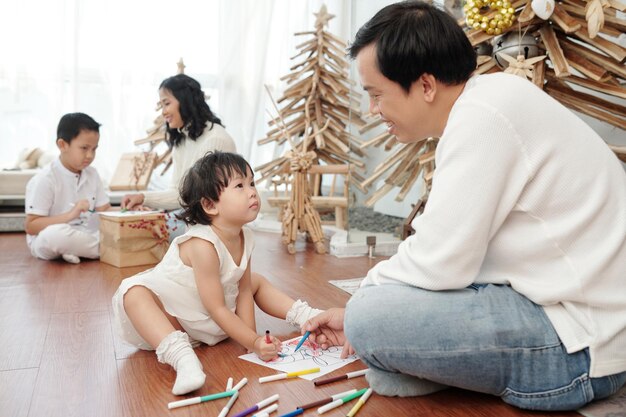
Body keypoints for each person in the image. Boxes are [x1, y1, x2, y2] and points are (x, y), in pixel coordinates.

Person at [303, 1, 626, 411]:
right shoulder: (487, 102)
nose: (373, 110)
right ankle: (423, 365)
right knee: (379, 323)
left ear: (424, 85)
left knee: (369, 318)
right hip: (573, 321)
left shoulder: (483, 117)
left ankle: (422, 363)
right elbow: (450, 253)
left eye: (375, 95)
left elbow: (441, 260)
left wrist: (355, 311)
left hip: (581, 346)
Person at [112, 151, 322, 395]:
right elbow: (217, 308)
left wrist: (251, 341)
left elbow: (244, 291)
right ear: (210, 205)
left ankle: (307, 316)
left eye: (252, 183)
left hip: (208, 313)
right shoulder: (203, 245)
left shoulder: (246, 237)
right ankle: (183, 359)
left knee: (255, 282)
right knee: (133, 293)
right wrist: (252, 342)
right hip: (175, 317)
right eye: (240, 186)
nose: (252, 191)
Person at [121, 74, 236, 214]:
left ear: (185, 101)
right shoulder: (182, 140)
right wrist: (142, 198)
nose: (163, 112)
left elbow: (192, 197)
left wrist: (145, 199)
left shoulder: (215, 140)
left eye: (167, 103)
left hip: (214, 225)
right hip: (197, 220)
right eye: (161, 105)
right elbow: (178, 192)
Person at [24, 113, 111, 264]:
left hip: (84, 233)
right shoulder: (45, 179)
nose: (90, 155)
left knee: (113, 229)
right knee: (55, 235)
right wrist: (71, 214)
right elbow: (32, 226)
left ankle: (76, 250)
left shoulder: (93, 174)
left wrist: (129, 211)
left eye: (94, 149)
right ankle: (112, 251)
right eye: (84, 148)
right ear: (62, 145)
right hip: (50, 239)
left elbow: (105, 211)